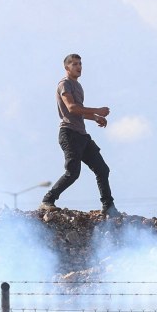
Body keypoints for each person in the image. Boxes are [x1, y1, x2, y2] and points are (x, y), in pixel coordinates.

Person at [39, 54, 120, 216]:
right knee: (73, 172)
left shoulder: (78, 86)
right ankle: (48, 200)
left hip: (82, 135)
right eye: (74, 64)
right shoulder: (65, 84)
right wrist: (97, 110)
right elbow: (72, 108)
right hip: (69, 134)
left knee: (102, 169)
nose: (79, 67)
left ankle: (108, 206)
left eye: (80, 63)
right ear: (67, 67)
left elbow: (79, 112)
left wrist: (95, 117)